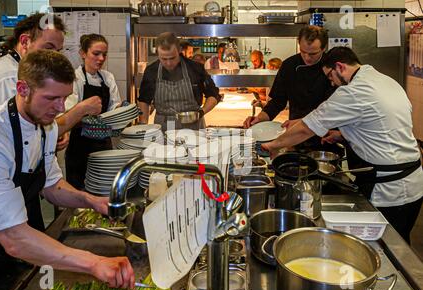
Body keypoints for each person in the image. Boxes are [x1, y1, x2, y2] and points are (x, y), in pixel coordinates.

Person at [0, 50, 135, 290]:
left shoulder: (45, 126)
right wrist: (94, 262)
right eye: (52, 98)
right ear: (22, 88)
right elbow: (13, 238)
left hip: (14, 251)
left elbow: (51, 185)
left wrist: (89, 200)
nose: (60, 108)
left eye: (65, 98)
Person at [261, 47, 423, 243]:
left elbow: (307, 128)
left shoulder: (353, 92)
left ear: (339, 66)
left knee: (387, 247)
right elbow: (383, 125)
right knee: (401, 241)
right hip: (414, 182)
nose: (331, 82)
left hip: (389, 189)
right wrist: (342, 134)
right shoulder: (385, 80)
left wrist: (274, 145)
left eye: (330, 76)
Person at [0, 13, 103, 151]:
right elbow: (24, 134)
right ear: (25, 41)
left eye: (58, 51)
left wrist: (59, 131)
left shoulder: (28, 70)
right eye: (48, 48)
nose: (54, 57)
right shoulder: (9, 77)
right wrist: (79, 111)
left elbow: (40, 127)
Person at [243, 26, 336, 152]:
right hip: (295, 135)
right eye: (303, 52)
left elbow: (332, 109)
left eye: (313, 54)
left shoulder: (332, 68)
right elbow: (277, 101)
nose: (307, 58)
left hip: (326, 136)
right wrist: (260, 118)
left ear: (324, 48)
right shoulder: (289, 65)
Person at [65, 34, 121, 190]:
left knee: (103, 189)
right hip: (80, 148)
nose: (101, 58)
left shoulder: (108, 78)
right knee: (79, 193)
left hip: (103, 144)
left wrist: (122, 111)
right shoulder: (75, 79)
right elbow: (68, 115)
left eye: (104, 54)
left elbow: (113, 108)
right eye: (96, 54)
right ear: (83, 53)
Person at [138, 32, 221, 131]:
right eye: (164, 59)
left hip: (194, 126)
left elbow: (213, 94)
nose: (168, 63)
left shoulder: (195, 68)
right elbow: (144, 100)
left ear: (179, 51)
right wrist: (143, 128)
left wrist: (201, 112)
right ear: (158, 53)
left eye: (172, 58)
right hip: (164, 127)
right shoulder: (152, 70)